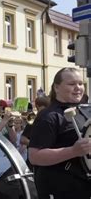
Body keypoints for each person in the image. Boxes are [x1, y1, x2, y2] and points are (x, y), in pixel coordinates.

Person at [29, 67, 91, 198]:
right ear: (56, 88)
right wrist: (73, 151)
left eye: (80, 83)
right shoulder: (49, 116)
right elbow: (34, 156)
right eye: (71, 84)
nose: (78, 88)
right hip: (60, 189)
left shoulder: (83, 112)